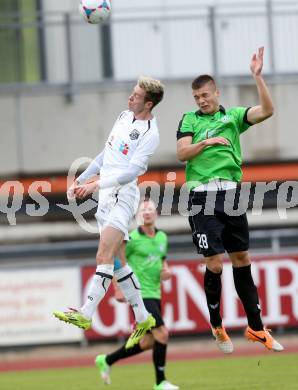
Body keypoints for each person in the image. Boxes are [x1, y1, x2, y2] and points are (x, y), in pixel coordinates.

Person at [176, 47, 284, 353]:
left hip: (231, 194)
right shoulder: (189, 120)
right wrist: (207, 141)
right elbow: (182, 153)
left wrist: (257, 77)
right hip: (202, 195)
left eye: (205, 95)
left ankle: (256, 328)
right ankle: (216, 323)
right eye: (197, 97)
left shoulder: (233, 116)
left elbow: (267, 110)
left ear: (216, 93)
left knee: (242, 259)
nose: (201, 101)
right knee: (214, 263)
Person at [53, 76, 164, 349]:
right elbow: (106, 154)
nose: (130, 98)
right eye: (132, 93)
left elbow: (130, 173)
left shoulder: (151, 132)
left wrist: (94, 185)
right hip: (104, 195)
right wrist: (83, 178)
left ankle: (85, 314)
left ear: (148, 103)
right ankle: (143, 317)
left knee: (103, 254)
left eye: (136, 95)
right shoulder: (124, 116)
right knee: (117, 261)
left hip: (122, 197)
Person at [95, 199, 179, 390]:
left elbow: (162, 261)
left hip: (155, 294)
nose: (147, 212)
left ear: (156, 213)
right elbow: (115, 260)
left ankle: (106, 360)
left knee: (148, 342)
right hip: (140, 294)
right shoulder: (131, 239)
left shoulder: (162, 238)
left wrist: (166, 270)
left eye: (150, 209)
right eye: (143, 210)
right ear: (138, 216)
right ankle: (160, 382)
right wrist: (117, 288)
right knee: (162, 333)